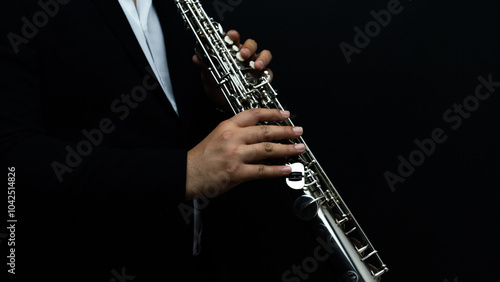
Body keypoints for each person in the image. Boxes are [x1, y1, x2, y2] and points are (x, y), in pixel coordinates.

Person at [1, 1, 333, 281]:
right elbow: (13, 158)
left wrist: (216, 98)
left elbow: (159, 126)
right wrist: (184, 172)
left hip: (193, 259)